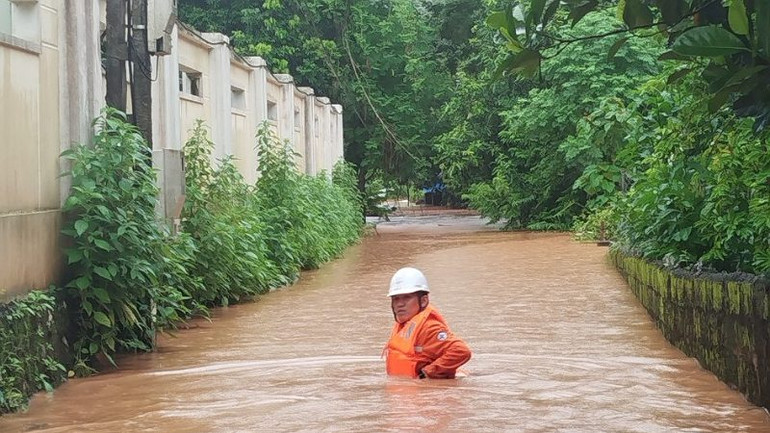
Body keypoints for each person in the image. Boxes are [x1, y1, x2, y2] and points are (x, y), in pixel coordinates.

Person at [384, 267, 471, 379]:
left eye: (406, 297)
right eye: (396, 299)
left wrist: (427, 373)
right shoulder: (404, 326)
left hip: (426, 393)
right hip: (405, 392)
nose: (400, 304)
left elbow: (461, 351)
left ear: (424, 301)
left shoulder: (429, 328)